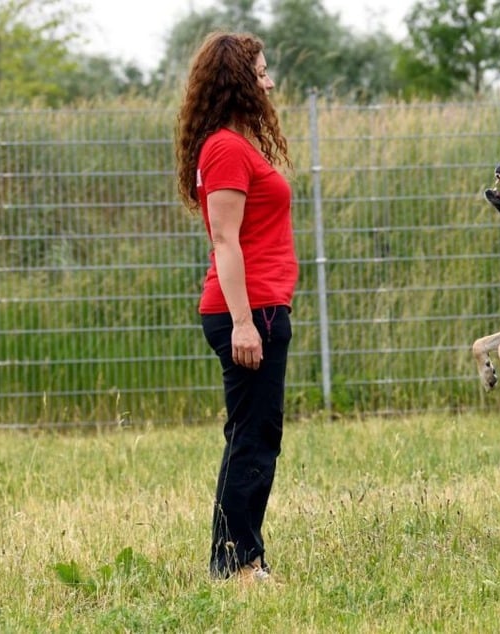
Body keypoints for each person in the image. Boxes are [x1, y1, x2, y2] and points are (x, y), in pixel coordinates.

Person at [175, 31, 298, 582]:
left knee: (250, 434)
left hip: (261, 309)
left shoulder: (235, 144)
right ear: (239, 82)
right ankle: (239, 563)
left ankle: (234, 558)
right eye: (263, 72)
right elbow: (225, 241)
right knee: (253, 437)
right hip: (248, 313)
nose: (270, 81)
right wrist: (246, 323)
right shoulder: (224, 148)